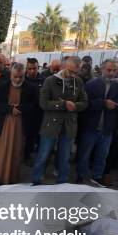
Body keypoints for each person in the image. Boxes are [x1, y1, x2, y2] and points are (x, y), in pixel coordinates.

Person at [32, 56, 87, 185]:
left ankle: (62, 181)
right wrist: (62, 105)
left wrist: (75, 106)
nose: (73, 75)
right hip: (51, 124)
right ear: (63, 67)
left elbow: (84, 102)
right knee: (43, 155)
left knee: (65, 157)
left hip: (69, 125)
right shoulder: (50, 81)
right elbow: (43, 103)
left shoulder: (78, 82)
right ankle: (36, 179)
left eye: (76, 72)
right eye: (71, 71)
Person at [76, 59, 118, 187]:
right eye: (108, 70)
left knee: (102, 154)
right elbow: (85, 103)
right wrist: (104, 103)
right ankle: (81, 175)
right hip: (90, 126)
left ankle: (97, 176)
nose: (111, 73)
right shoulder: (91, 84)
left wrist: (115, 105)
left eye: (114, 70)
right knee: (85, 153)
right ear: (102, 69)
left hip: (108, 127)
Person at [22, 58, 43, 164]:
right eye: (30, 69)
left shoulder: (43, 80)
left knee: (32, 136)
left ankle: (27, 156)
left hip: (37, 114)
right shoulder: (22, 79)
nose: (32, 71)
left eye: (34, 68)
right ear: (26, 68)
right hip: (23, 113)